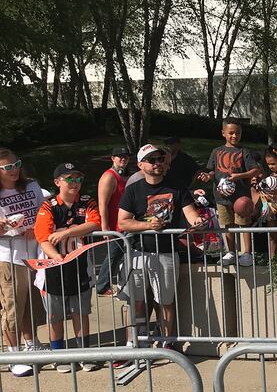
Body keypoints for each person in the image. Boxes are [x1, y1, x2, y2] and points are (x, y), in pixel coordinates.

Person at [117, 144, 207, 351]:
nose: (158, 163)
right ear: (141, 165)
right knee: (136, 300)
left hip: (166, 252)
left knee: (165, 301)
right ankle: (134, 341)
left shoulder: (177, 187)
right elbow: (123, 222)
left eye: (160, 159)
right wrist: (147, 225)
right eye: (152, 160)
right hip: (138, 253)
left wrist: (197, 223)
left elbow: (191, 215)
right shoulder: (133, 190)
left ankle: (168, 341)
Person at [33, 163, 101, 372]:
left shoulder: (87, 201)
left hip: (80, 266)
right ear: (57, 182)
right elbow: (43, 237)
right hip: (53, 268)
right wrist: (58, 257)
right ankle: (59, 355)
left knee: (81, 311)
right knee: (55, 315)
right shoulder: (48, 206)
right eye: (69, 179)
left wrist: (65, 233)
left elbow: (95, 222)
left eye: (78, 179)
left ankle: (84, 354)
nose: (75, 183)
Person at [0, 148, 46, 377]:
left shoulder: (32, 186)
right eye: (8, 167)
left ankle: (31, 344)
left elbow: (43, 213)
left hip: (34, 255)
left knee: (30, 304)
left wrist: (35, 227)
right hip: (8, 257)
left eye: (16, 164)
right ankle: (13, 354)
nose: (14, 170)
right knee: (12, 307)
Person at [197, 118, 260, 267]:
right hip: (221, 196)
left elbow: (256, 170)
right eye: (231, 133)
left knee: (244, 224)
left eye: (237, 133)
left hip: (241, 197)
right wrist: (208, 176)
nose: (234, 136)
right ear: (223, 133)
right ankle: (231, 252)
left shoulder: (244, 151)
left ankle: (247, 253)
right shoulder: (216, 151)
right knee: (227, 224)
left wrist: (240, 176)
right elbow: (212, 170)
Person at [96, 147, 131, 296]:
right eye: (119, 156)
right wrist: (105, 227)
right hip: (113, 226)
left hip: (124, 224)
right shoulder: (109, 177)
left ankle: (111, 284)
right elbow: (102, 203)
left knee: (118, 255)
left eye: (126, 157)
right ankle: (102, 286)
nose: (123, 159)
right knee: (112, 255)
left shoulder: (124, 176)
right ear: (113, 158)